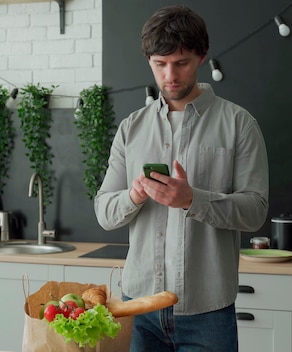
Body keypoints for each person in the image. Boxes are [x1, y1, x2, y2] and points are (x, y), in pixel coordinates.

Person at [94, 5, 269, 351]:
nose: (170, 75)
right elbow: (103, 211)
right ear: (149, 61)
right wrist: (133, 196)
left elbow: (255, 211)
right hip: (139, 308)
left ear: (201, 57)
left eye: (181, 62)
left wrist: (192, 199)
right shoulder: (131, 128)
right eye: (160, 64)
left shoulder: (239, 124)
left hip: (208, 313)